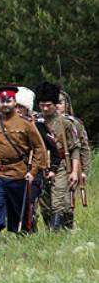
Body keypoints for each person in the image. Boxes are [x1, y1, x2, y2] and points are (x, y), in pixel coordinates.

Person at [0, 85, 49, 241]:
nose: (5, 104)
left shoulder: (26, 124)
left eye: (8, 101)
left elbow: (39, 148)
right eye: (2, 101)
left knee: (18, 211)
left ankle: (23, 236)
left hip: (18, 172)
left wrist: (33, 172)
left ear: (14, 101)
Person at [35, 82, 81, 231]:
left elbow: (75, 148)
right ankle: (52, 230)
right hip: (41, 166)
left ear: (55, 104)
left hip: (61, 165)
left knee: (59, 201)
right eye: (42, 105)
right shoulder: (35, 123)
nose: (45, 108)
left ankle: (57, 233)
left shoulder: (66, 123)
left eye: (48, 105)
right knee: (45, 204)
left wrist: (74, 171)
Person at [58, 90, 91, 229]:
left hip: (70, 166)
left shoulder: (75, 124)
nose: (57, 106)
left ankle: (66, 228)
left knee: (67, 201)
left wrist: (83, 171)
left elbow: (83, 148)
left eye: (59, 103)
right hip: (50, 166)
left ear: (66, 104)